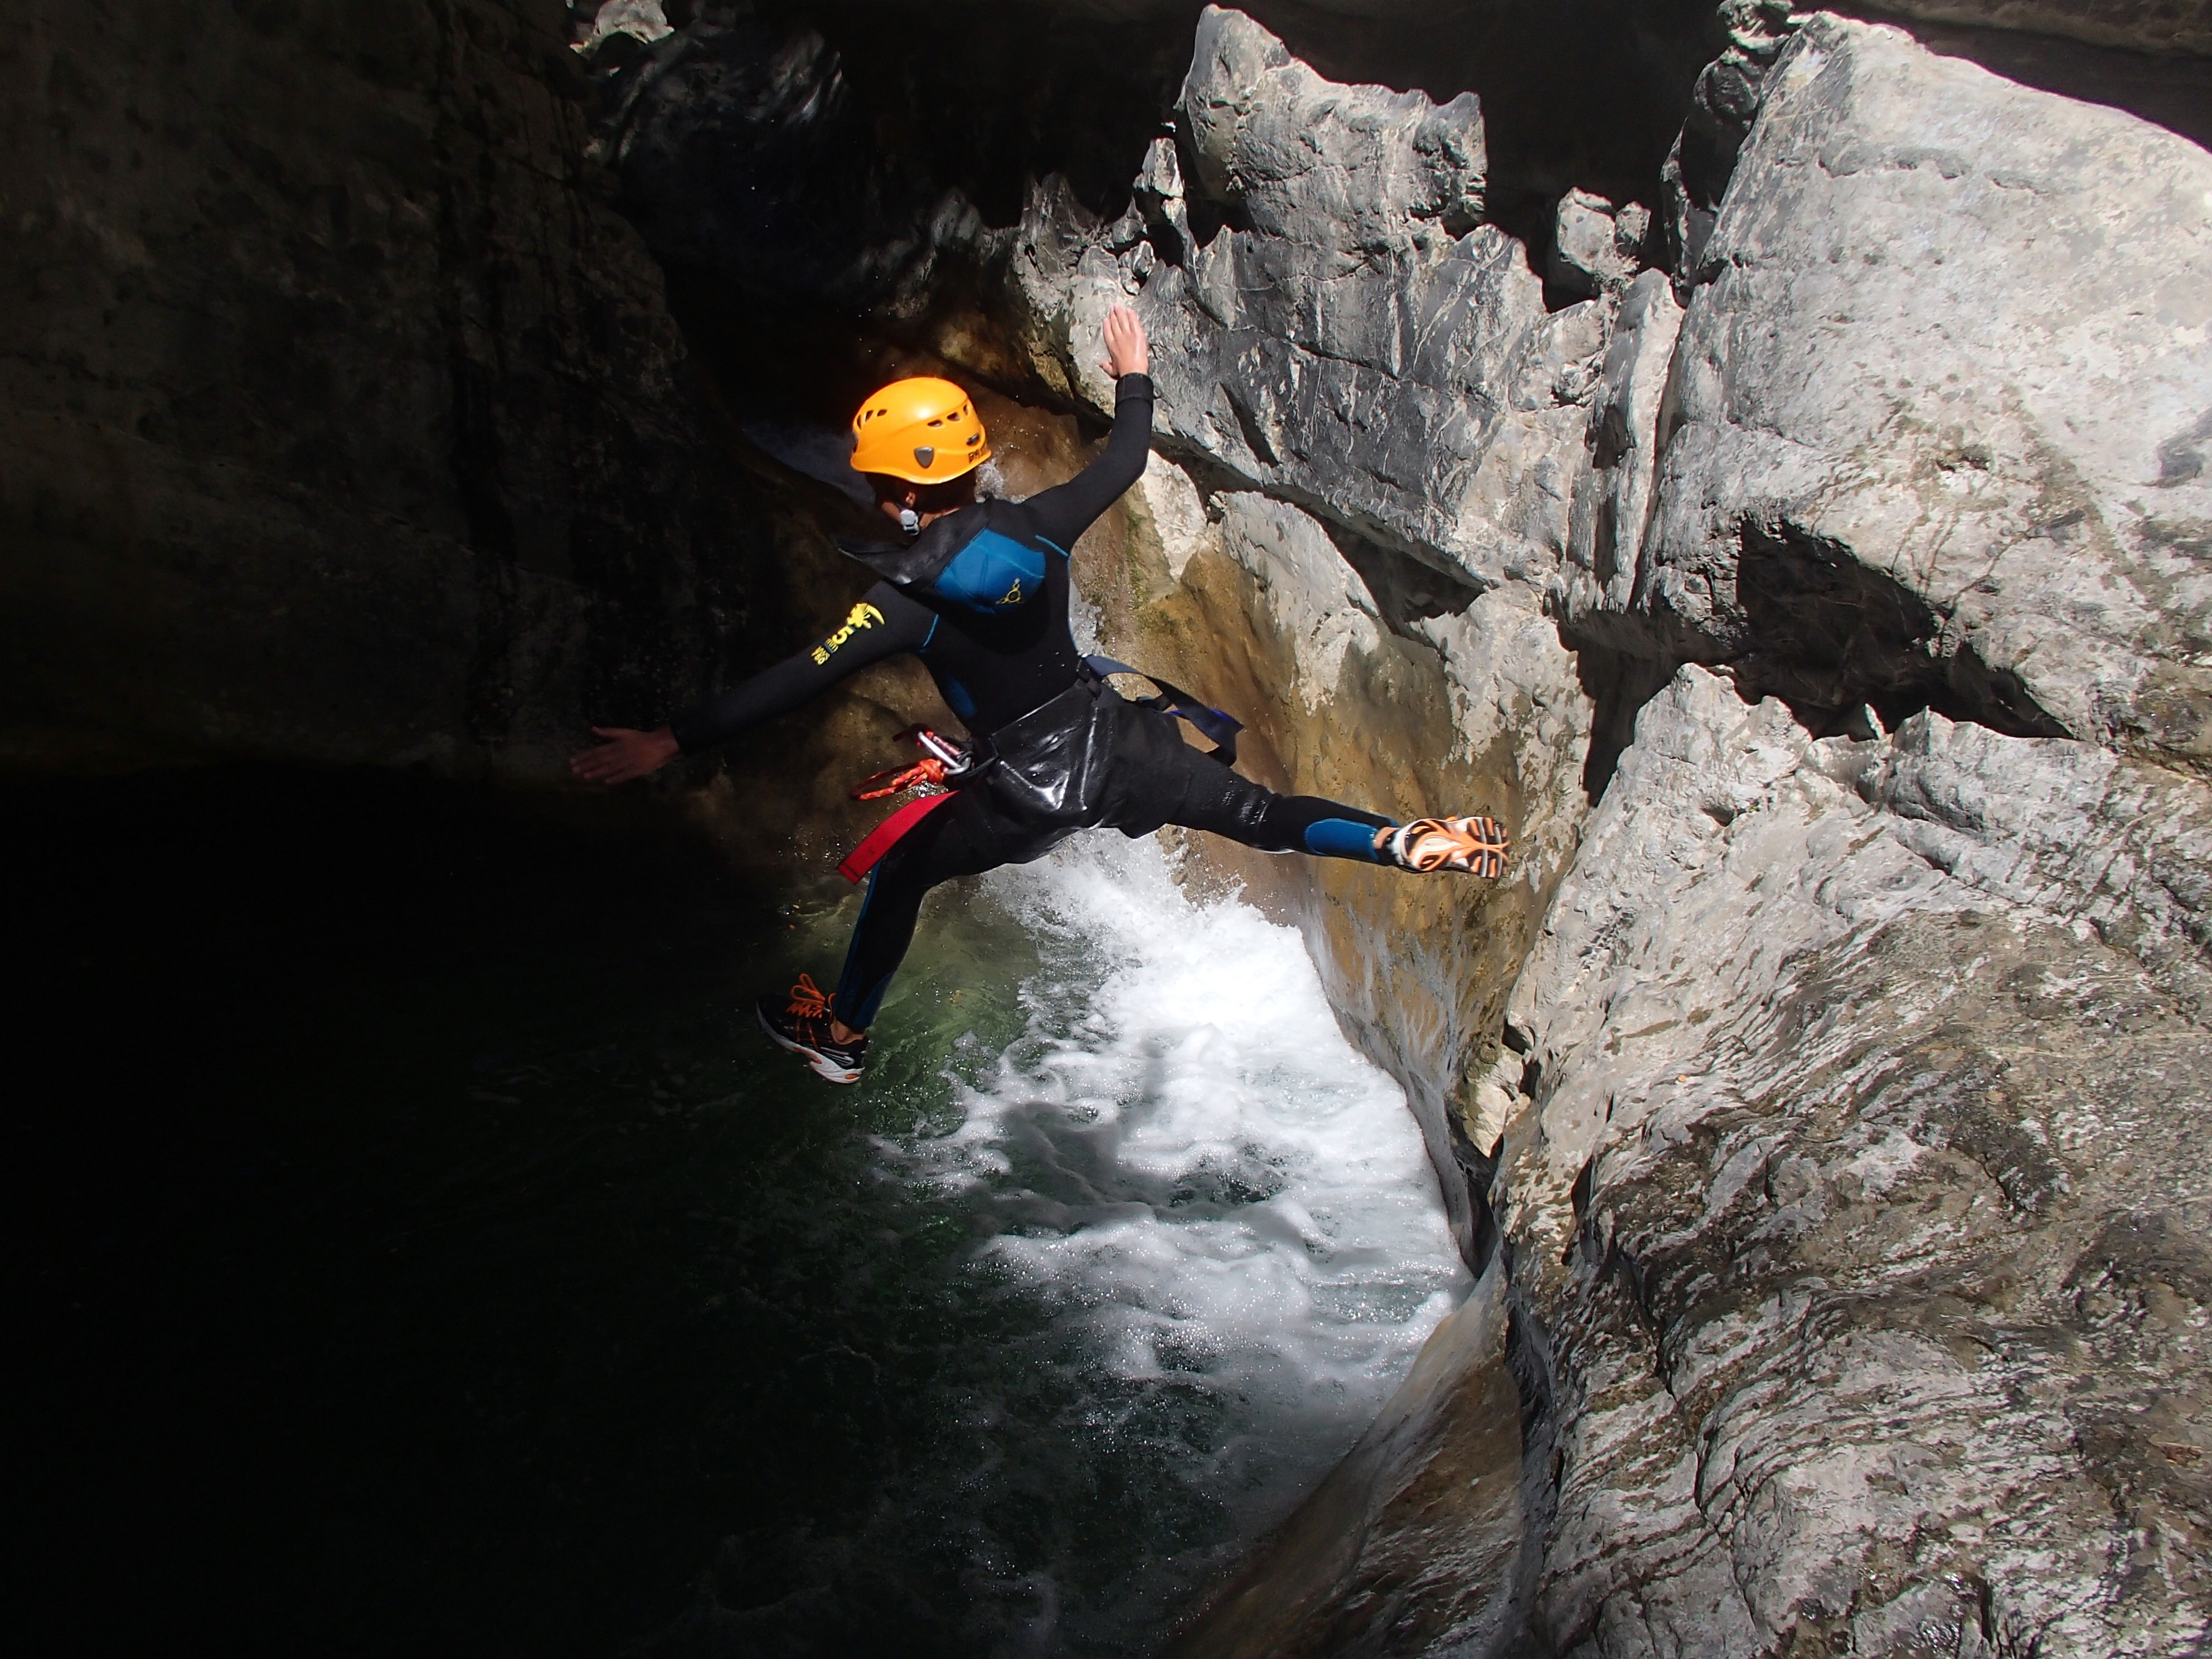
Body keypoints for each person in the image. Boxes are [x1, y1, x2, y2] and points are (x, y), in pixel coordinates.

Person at [571, 306, 1507, 1084]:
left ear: (900, 495)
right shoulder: (1042, 523)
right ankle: (1406, 839)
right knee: (1260, 813)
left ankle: (843, 1037)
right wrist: (1132, 374)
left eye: (874, 483)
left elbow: (794, 682)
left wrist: (669, 740)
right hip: (1120, 745)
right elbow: (1125, 460)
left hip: (1028, 793)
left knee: (900, 876)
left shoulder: (901, 603)